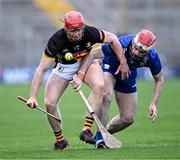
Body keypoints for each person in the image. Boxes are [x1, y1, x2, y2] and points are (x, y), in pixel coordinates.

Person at [26, 10, 130, 150]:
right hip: (63, 68)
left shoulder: (90, 32)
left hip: (86, 63)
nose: (75, 34)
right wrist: (32, 96)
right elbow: (41, 69)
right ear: (65, 29)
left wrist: (123, 62)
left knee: (99, 86)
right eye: (71, 31)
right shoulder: (56, 40)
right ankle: (60, 140)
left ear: (83, 27)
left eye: (78, 30)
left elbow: (113, 39)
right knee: (49, 103)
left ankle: (86, 130)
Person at [81, 29, 164, 148]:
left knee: (128, 118)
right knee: (106, 96)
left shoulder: (152, 57)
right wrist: (80, 72)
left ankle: (105, 134)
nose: (136, 52)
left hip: (128, 75)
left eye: (141, 51)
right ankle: (100, 137)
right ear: (134, 42)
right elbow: (93, 53)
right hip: (109, 67)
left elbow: (159, 79)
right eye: (135, 47)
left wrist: (153, 103)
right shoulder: (123, 42)